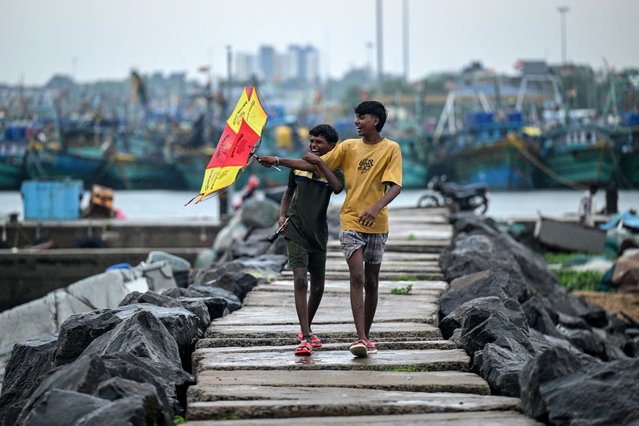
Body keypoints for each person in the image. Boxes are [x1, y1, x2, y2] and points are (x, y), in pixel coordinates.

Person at [259, 101, 402, 358]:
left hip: (376, 223)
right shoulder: (348, 147)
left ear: (376, 121)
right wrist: (278, 160)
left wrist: (376, 207)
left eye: (361, 117)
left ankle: (366, 336)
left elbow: (394, 186)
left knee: (371, 281)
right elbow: (313, 166)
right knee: (356, 277)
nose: (356, 122)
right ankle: (357, 337)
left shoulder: (392, 149)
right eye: (356, 117)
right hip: (349, 222)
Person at [258, 124, 344, 356]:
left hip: (318, 233)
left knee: (318, 286)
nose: (314, 145)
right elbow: (288, 193)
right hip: (295, 229)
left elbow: (337, 188)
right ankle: (305, 336)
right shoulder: (297, 168)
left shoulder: (334, 170)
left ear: (332, 147)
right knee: (299, 280)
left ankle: (306, 328)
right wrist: (282, 215)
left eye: (320, 143)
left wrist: (319, 163)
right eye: (312, 141)